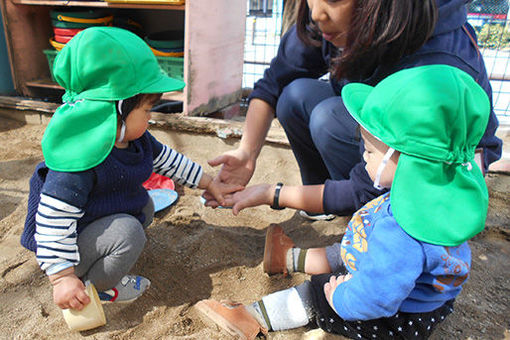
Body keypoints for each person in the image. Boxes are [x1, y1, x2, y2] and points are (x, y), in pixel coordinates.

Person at [195, 65, 490, 339]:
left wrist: (342, 299)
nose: (363, 155)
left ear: (410, 162)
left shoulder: (401, 231)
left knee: (317, 291)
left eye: (371, 152)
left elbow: (376, 297)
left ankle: (253, 317)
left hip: (394, 317)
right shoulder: (437, 199)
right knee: (347, 251)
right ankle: (285, 258)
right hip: (426, 301)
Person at [205, 0, 501, 220]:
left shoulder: (435, 64)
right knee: (295, 96)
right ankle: (322, 201)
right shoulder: (331, 15)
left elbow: (390, 177)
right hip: (381, 127)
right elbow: (273, 83)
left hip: (433, 164)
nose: (316, 13)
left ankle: (372, 216)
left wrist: (275, 194)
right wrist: (246, 153)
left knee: (328, 119)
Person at [20, 27, 242, 311]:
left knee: (144, 208)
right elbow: (52, 222)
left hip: (95, 220)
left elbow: (167, 160)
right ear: (116, 108)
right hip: (68, 244)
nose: (151, 118)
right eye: (147, 111)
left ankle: (104, 258)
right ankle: (97, 287)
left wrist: (208, 182)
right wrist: (61, 277)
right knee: (129, 232)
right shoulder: (77, 160)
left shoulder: (132, 138)